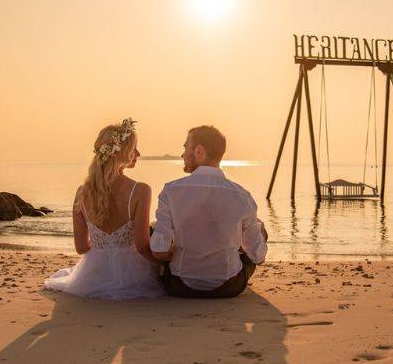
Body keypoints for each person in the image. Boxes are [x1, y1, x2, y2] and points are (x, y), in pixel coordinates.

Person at [45, 118, 164, 299]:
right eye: (134, 148)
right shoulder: (140, 190)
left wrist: (104, 253)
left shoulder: (82, 192)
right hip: (133, 276)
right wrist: (162, 264)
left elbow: (81, 247)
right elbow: (141, 246)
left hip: (91, 277)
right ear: (121, 152)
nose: (138, 153)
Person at [150, 125, 268, 298]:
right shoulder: (242, 195)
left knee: (154, 230)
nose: (182, 154)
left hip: (181, 286)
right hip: (227, 287)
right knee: (258, 228)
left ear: (199, 151)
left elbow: (159, 251)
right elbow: (258, 257)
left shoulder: (171, 191)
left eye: (185, 147)